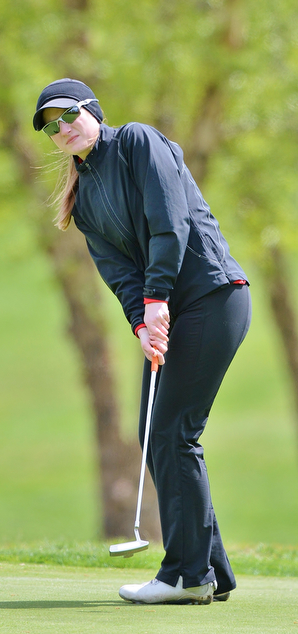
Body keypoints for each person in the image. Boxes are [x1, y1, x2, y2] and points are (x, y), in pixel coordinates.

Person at [33, 78, 251, 605]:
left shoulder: (136, 141)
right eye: (50, 126)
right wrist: (142, 321)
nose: (62, 129)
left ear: (92, 111)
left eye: (68, 115)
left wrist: (157, 301)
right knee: (156, 431)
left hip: (212, 296)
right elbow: (119, 275)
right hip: (169, 310)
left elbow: (169, 224)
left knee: (173, 430)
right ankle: (209, 570)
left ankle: (185, 573)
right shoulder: (82, 200)